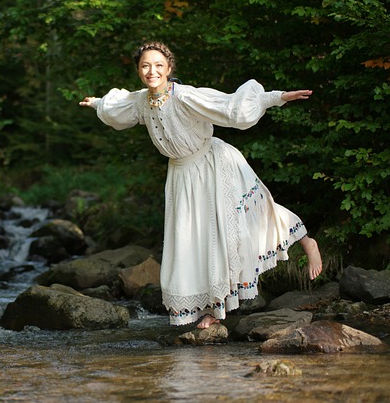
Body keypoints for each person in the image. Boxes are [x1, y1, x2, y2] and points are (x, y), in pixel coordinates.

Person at [79, 41, 323, 329]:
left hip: (213, 165)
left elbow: (231, 108)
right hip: (181, 175)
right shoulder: (140, 101)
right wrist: (95, 102)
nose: (151, 71)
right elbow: (115, 107)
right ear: (138, 70)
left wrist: (277, 97)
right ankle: (208, 308)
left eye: (158, 65)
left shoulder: (184, 97)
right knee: (191, 240)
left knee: (249, 215)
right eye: (145, 65)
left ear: (169, 68)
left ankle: (306, 241)